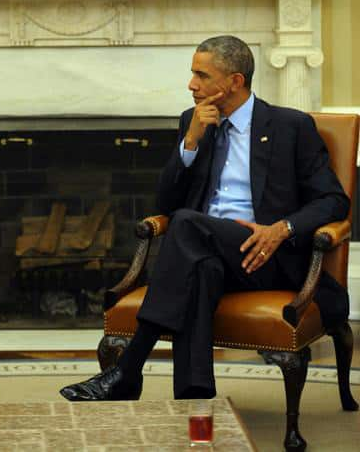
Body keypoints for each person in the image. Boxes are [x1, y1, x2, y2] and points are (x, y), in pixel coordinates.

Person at [60, 35, 350, 403]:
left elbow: (334, 201)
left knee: (185, 224)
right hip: (205, 251)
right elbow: (164, 202)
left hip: (265, 256)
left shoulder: (290, 127)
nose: (191, 85)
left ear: (234, 82)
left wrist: (282, 229)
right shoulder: (193, 122)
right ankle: (195, 402)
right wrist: (191, 143)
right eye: (192, 74)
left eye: (201, 75)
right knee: (199, 267)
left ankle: (128, 369)